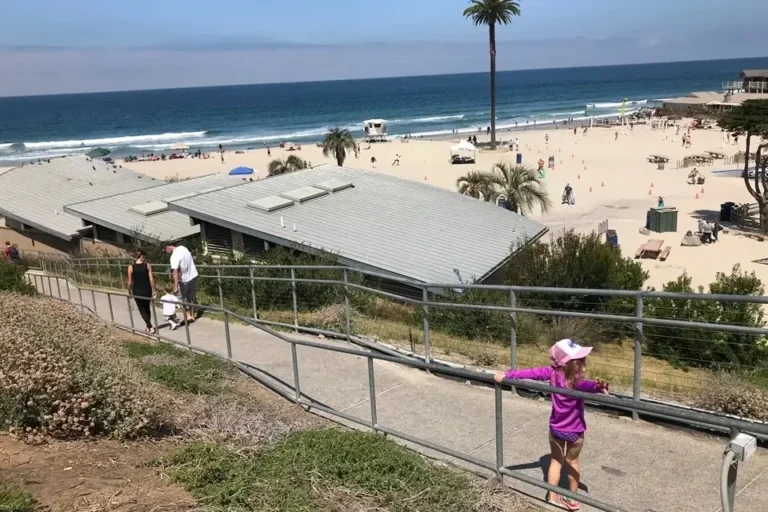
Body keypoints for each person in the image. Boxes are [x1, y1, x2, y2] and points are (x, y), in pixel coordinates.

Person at [495, 339, 609, 511]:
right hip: (575, 432)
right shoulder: (578, 381)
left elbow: (530, 373)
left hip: (556, 429)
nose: (584, 362)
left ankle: (552, 497)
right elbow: (589, 385)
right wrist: (599, 386)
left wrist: (507, 376)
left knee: (556, 461)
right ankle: (572, 499)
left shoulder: (551, 373)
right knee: (573, 462)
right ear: (572, 363)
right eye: (581, 359)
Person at [165, 244, 198, 323]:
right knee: (190, 298)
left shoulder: (174, 256)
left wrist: (176, 286)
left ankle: (188, 316)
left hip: (184, 280)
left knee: (178, 298)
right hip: (193, 276)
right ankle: (192, 315)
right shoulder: (183, 248)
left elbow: (175, 272)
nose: (166, 253)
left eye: (165, 251)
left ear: (167, 248)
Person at [126, 250, 156, 334]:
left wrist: (129, 290)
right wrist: (154, 290)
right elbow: (151, 279)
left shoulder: (131, 267)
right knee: (147, 308)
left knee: (141, 309)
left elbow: (129, 282)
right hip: (147, 289)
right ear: (141, 256)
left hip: (137, 290)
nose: (144, 258)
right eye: (144, 257)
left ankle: (150, 326)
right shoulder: (147, 265)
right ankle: (148, 326)